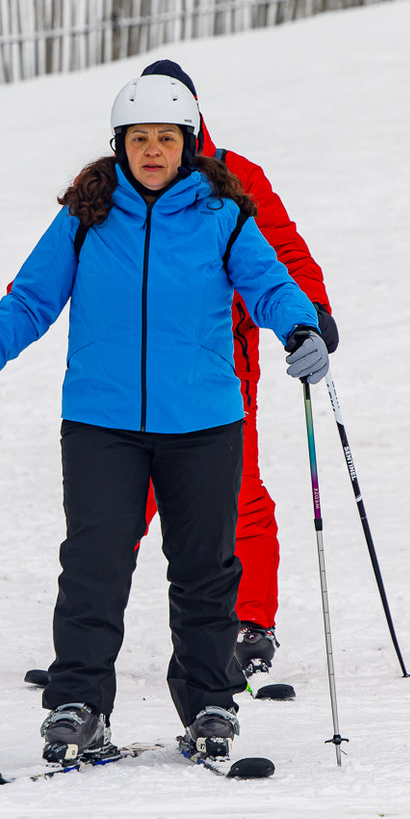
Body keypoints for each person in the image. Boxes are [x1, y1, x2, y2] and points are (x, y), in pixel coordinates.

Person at [0, 73, 330, 764]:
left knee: (204, 569)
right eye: (139, 138)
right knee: (93, 564)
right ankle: (79, 703)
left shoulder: (221, 212)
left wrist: (301, 329)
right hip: (100, 423)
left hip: (203, 419)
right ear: (119, 144)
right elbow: (29, 300)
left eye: (165, 138)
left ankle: (208, 701)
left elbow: (269, 284)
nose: (152, 150)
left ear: (188, 143)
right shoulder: (86, 216)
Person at [137, 59, 338, 681]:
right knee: (123, 499)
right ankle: (90, 641)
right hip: (137, 371)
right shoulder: (119, 181)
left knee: (237, 492)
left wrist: (315, 317)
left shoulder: (237, 176)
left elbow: (282, 249)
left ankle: (252, 626)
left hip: (226, 364)